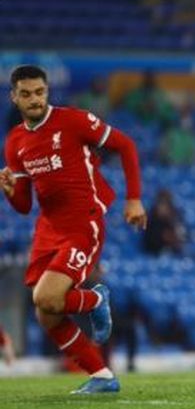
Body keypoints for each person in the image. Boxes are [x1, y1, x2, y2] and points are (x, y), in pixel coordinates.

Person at [0, 65, 147, 393]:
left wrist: (134, 199)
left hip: (83, 222)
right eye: (26, 94)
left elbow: (126, 146)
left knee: (46, 297)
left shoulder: (73, 121)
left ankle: (95, 299)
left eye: (40, 92)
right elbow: (24, 206)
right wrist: (10, 191)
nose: (35, 99)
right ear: (14, 97)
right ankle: (102, 377)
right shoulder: (15, 143)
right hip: (48, 229)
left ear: (47, 91)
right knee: (46, 313)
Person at [143, 189, 187, 255]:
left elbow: (183, 237)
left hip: (174, 252)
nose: (163, 207)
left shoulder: (176, 217)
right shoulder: (151, 219)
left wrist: (173, 238)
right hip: (154, 251)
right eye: (161, 203)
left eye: (165, 203)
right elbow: (148, 241)